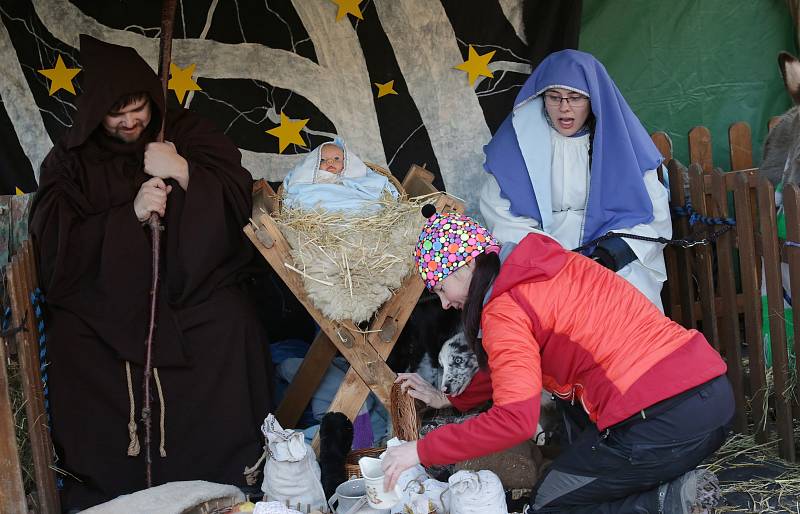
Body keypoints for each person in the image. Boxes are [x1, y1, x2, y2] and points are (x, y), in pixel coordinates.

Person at [28, 35, 271, 510]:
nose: (130, 121)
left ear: (150, 96)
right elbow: (57, 249)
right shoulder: (70, 161)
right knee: (69, 343)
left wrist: (183, 171)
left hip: (190, 294)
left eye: (137, 106)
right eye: (116, 114)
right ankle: (111, 482)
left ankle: (224, 472)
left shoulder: (189, 131)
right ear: (96, 112)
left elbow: (237, 198)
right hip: (108, 304)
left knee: (233, 323)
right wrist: (129, 217)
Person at [382, 209, 734, 513]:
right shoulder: (548, 264)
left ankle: (666, 502)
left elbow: (515, 421)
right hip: (712, 400)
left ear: (469, 263)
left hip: (659, 421)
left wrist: (422, 450)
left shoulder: (504, 309)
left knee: (549, 504)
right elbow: (515, 365)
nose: (443, 303)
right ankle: (674, 490)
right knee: (576, 465)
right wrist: (452, 399)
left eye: (441, 287)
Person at [480, 49, 672, 311]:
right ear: (541, 98)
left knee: (629, 299)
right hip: (542, 257)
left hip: (609, 255)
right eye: (554, 97)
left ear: (593, 100)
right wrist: (553, 258)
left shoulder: (623, 146)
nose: (564, 107)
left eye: (575, 97)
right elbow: (500, 215)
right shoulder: (517, 147)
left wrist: (610, 254)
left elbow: (654, 215)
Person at [282, 140, 399, 213]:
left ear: (346, 161)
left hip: (350, 203)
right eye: (323, 160)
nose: (330, 162)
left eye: (336, 159)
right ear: (315, 164)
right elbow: (306, 190)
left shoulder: (352, 174)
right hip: (320, 204)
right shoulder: (314, 176)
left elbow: (369, 183)